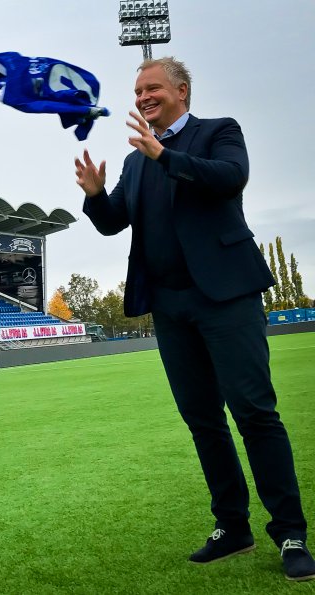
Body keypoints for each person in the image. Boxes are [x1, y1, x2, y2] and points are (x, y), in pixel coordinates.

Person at [74, 57, 314, 582]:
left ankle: (291, 531)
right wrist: (94, 194)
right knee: (203, 420)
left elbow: (230, 178)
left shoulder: (217, 132)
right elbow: (115, 223)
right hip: (170, 305)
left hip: (226, 297)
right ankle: (233, 527)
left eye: (152, 87)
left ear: (181, 91)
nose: (142, 97)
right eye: (137, 91)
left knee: (254, 412)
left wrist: (164, 154)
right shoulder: (136, 160)